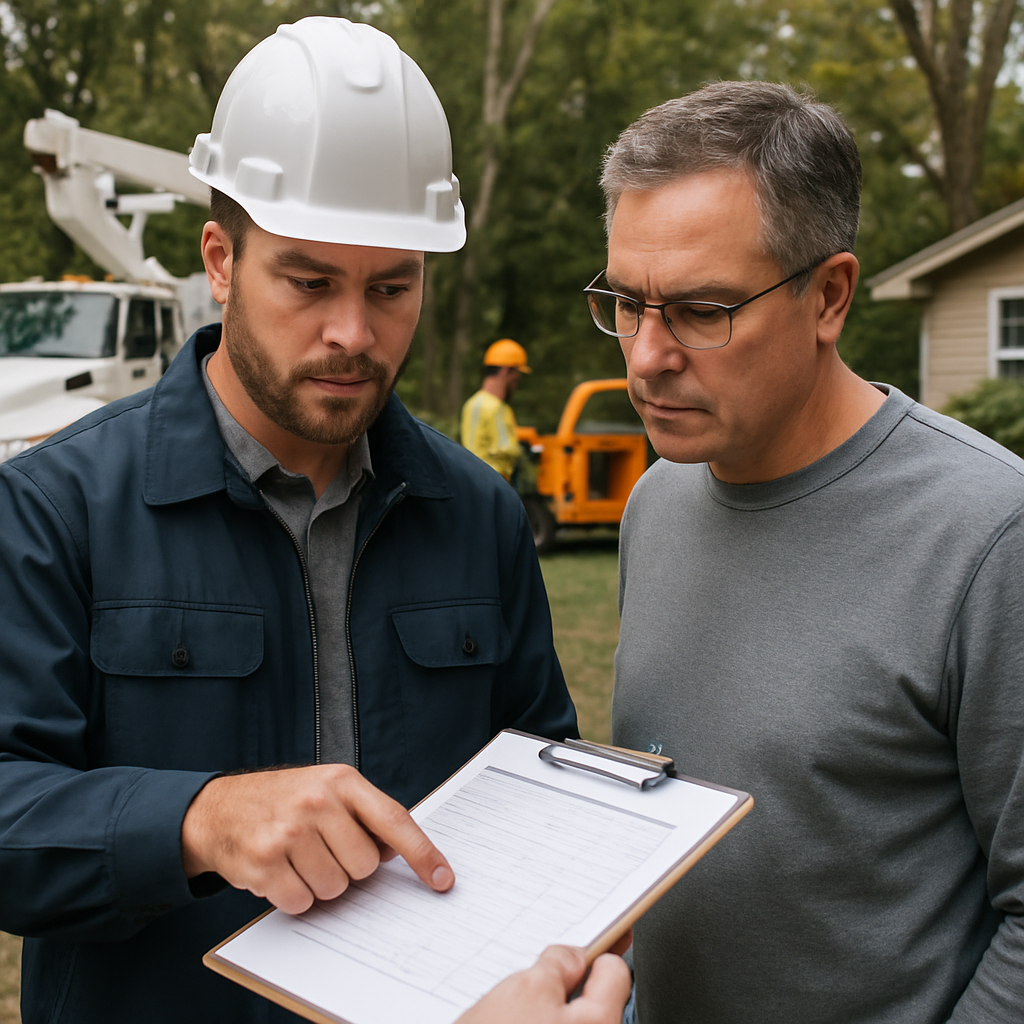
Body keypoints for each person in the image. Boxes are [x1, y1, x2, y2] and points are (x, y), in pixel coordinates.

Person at [0, 18, 576, 1024]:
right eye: (308, 282)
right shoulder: (58, 506)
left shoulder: (478, 515)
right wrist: (196, 819)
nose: (353, 332)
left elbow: (540, 805)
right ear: (220, 261)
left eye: (391, 288)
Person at [586, 81, 1024, 1023]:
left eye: (701, 311)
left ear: (829, 296)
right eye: (626, 302)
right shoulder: (655, 503)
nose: (646, 356)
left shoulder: (992, 536)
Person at [461, 338, 530, 480]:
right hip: (490, 483)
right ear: (505, 371)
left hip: (485, 483)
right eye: (517, 375)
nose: (517, 381)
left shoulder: (482, 405)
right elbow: (504, 449)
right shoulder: (488, 407)